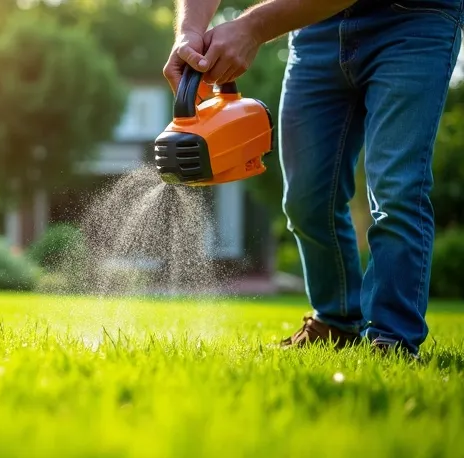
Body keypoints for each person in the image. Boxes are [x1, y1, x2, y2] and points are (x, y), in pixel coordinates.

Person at [164, 0, 463, 359]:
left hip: (414, 19)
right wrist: (189, 32)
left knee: (396, 190)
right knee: (306, 200)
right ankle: (336, 322)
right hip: (313, 28)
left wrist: (254, 27)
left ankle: (392, 338)